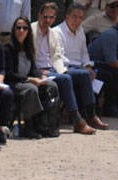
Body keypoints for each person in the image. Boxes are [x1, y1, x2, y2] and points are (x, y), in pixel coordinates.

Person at [32, 2, 97, 133]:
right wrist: (38, 71)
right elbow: (28, 56)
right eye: (45, 16)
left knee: (81, 75)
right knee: (66, 79)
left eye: (51, 17)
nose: (47, 20)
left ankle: (91, 115)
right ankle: (77, 120)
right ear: (39, 15)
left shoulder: (52, 33)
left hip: (53, 69)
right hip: (37, 70)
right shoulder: (31, 30)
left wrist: (62, 71)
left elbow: (56, 57)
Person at [54, 4, 106, 126]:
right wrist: (82, 68)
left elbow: (84, 53)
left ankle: (93, 111)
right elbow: (59, 57)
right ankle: (91, 115)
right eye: (74, 17)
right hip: (64, 67)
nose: (77, 20)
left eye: (80, 18)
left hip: (79, 67)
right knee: (84, 75)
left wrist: (88, 65)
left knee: (103, 72)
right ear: (67, 17)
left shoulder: (80, 31)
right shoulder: (57, 32)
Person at [5, 15, 58, 137]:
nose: (21, 31)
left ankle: (48, 123)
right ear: (14, 30)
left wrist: (41, 77)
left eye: (25, 28)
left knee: (51, 85)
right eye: (18, 28)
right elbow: (9, 73)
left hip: (27, 80)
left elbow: (33, 69)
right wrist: (29, 79)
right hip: (14, 83)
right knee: (31, 89)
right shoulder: (8, 48)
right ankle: (29, 126)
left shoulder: (29, 48)